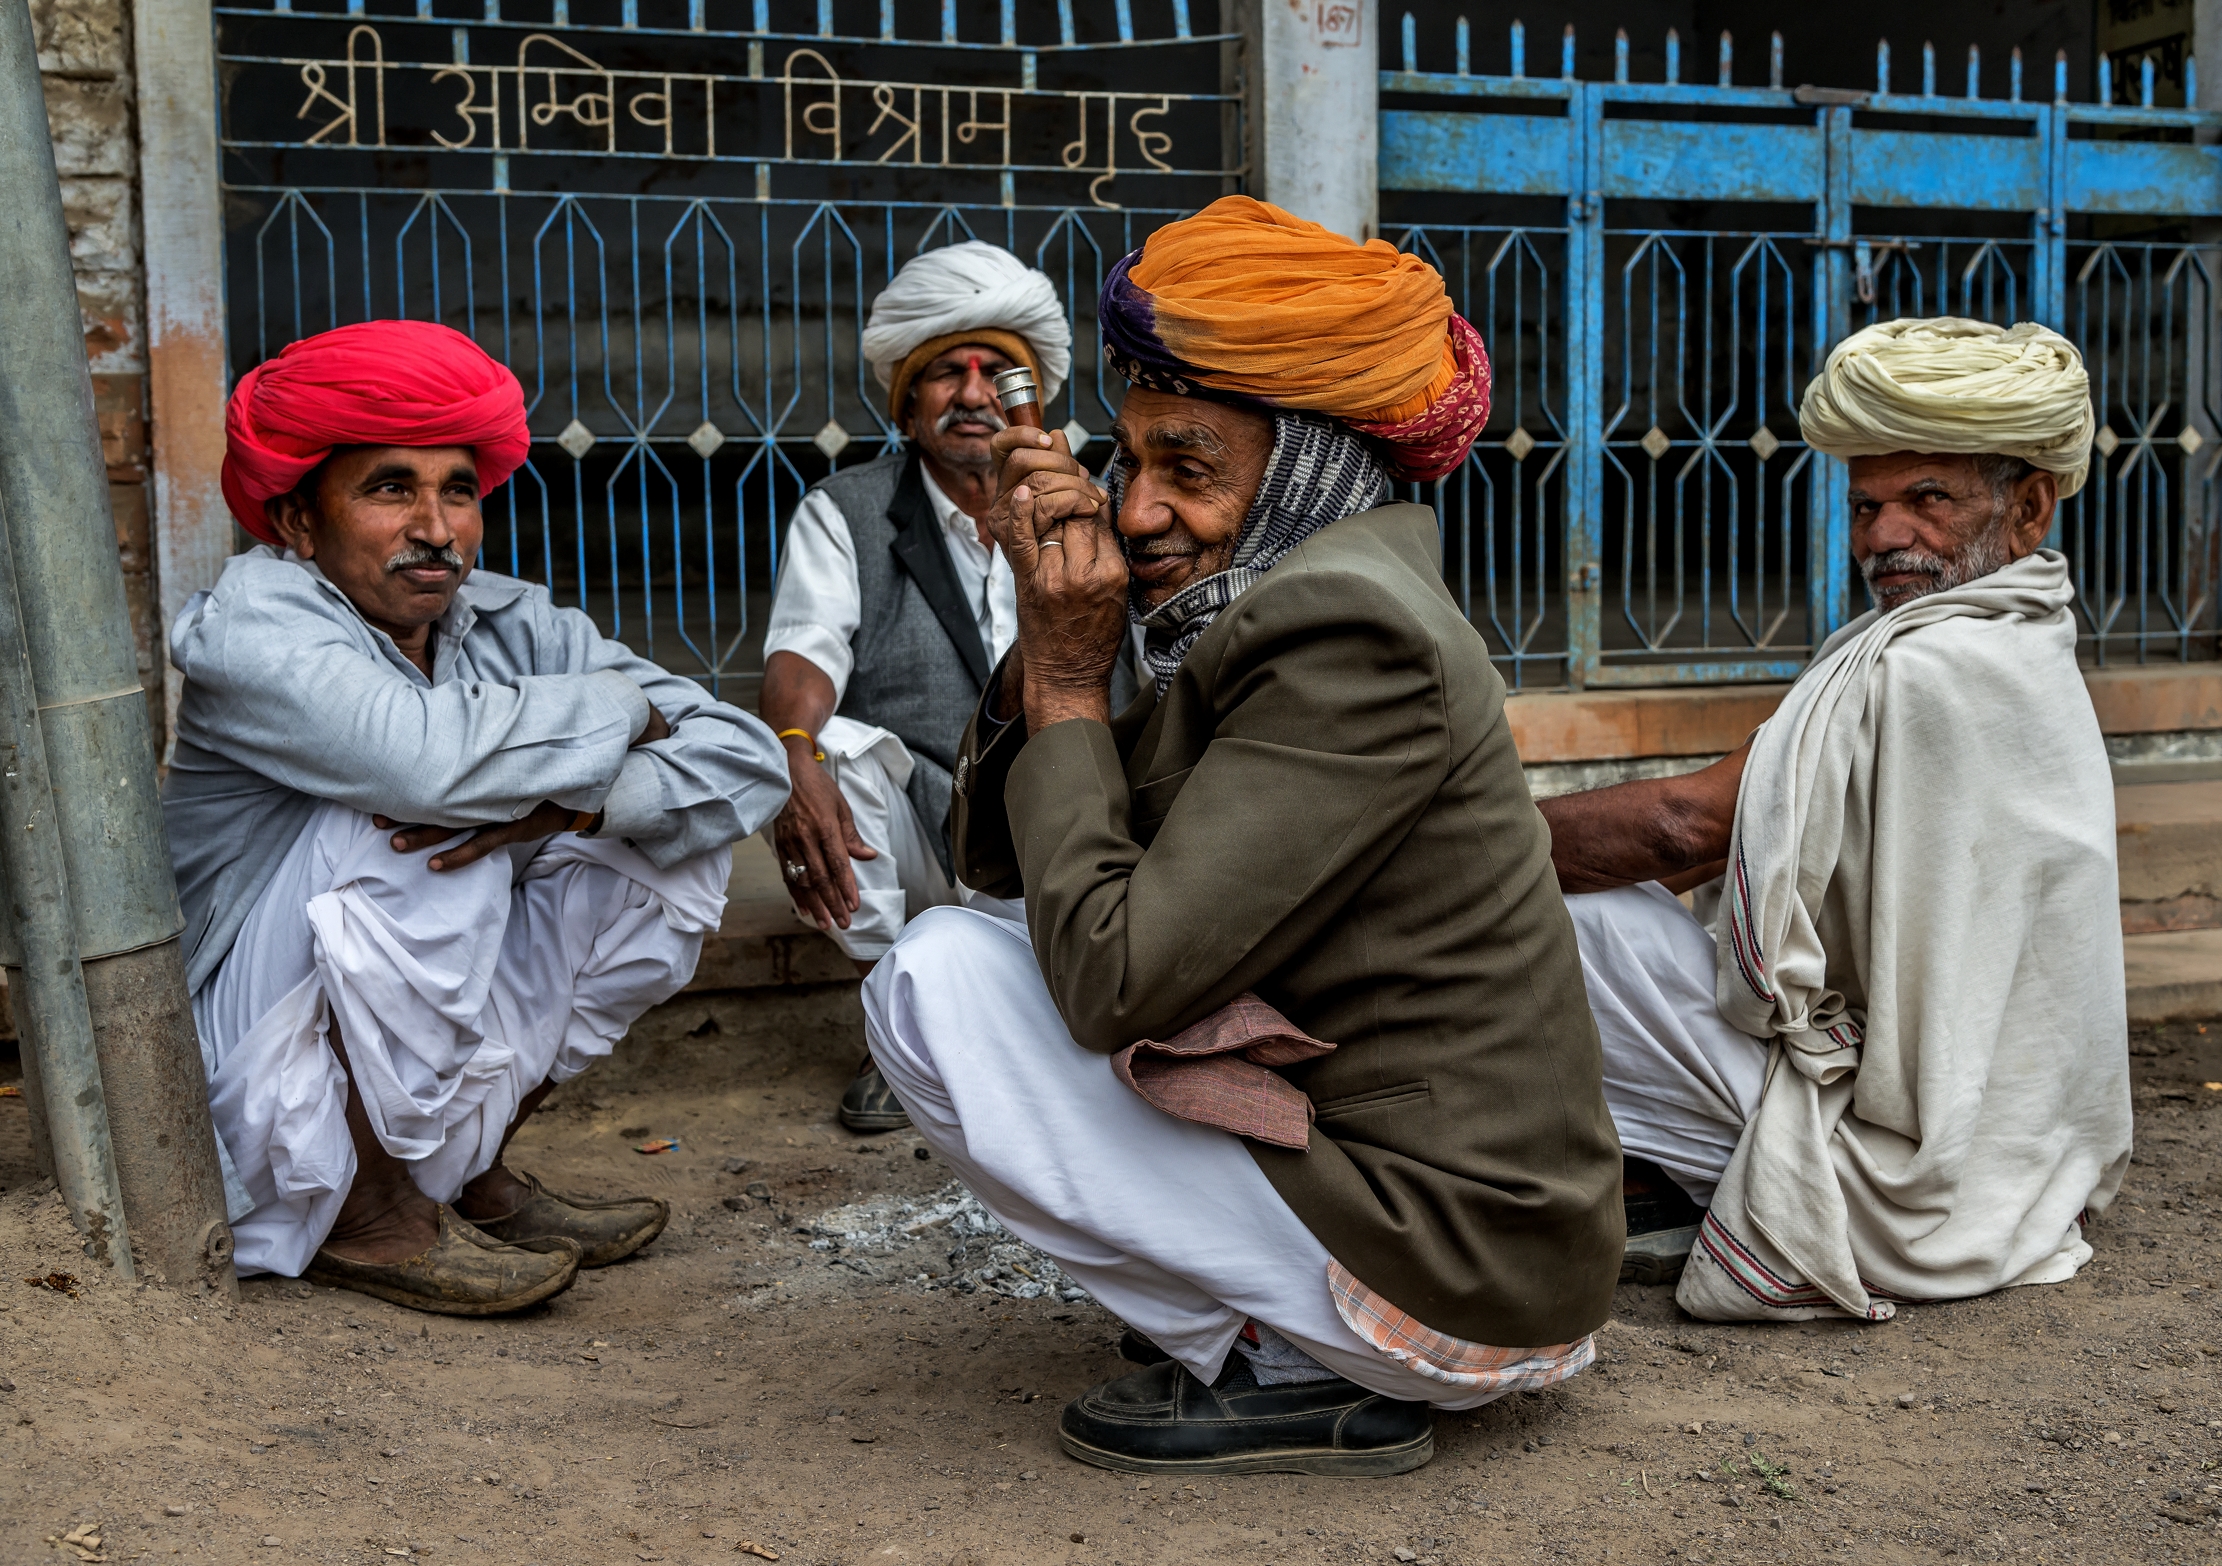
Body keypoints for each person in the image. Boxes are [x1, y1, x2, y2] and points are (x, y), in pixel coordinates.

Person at [861, 197, 1623, 1475]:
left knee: (933, 980)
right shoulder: (1258, 596)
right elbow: (1007, 865)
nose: (1139, 510)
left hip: (1459, 1267)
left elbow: (1114, 982)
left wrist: (1062, 678)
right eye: (1131, 459)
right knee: (979, 939)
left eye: (1189, 469)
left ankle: (1296, 1359)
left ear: (1311, 470)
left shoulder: (1341, 626)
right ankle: (1275, 1327)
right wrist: (1046, 639)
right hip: (1426, 1217)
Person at [166, 320, 789, 1314]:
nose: (436, 527)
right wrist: (625, 709)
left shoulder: (507, 623)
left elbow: (747, 762)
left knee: (670, 841)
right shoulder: (257, 621)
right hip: (242, 1064)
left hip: (381, 991)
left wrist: (577, 807)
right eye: (388, 489)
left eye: (457, 490)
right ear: (296, 522)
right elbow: (421, 765)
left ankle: (459, 1174)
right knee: (416, 820)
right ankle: (369, 1214)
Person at [1540, 317, 2130, 1323]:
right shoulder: (2020, 636)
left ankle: (1730, 1181)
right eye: (1864, 506)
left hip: (1907, 1161)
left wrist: (1445, 833)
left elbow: (1686, 831)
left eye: (1925, 500)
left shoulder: (1929, 666)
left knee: (1577, 919)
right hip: (2023, 1143)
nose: (1882, 536)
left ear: (2027, 508)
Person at [758, 242, 1093, 1133]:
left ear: (1034, 403)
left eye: (998, 375)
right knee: (818, 747)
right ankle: (900, 1020)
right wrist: (792, 754)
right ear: (907, 408)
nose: (975, 394)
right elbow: (804, 652)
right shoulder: (850, 509)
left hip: (1071, 824)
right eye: (947, 373)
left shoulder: (1094, 501)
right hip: (930, 833)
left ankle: (1044, 1008)